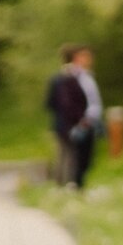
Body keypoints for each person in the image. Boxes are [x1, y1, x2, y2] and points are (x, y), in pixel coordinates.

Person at [46, 44, 103, 187]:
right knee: (68, 156)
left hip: (83, 122)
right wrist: (79, 119)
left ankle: (72, 186)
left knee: (78, 157)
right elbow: (61, 103)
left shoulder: (85, 76)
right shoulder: (67, 78)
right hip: (72, 123)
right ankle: (65, 186)